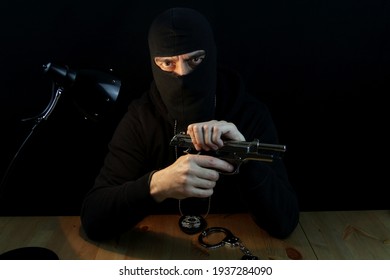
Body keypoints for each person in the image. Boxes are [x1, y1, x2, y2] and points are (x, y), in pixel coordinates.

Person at [80, 7, 299, 241]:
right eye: (167, 63)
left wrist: (245, 160)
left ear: (211, 56)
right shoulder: (141, 119)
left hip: (237, 242)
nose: (182, 74)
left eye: (195, 59)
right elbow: (94, 219)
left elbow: (284, 223)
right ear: (154, 63)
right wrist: (156, 186)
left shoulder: (249, 113)